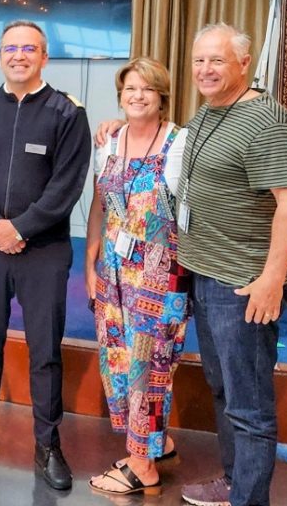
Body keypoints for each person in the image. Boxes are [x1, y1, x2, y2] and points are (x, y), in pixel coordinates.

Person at [0, 20, 91, 490]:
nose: (19, 56)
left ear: (45, 57)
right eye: (10, 48)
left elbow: (66, 186)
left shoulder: (67, 113)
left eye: (29, 48)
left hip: (44, 252)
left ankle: (48, 443)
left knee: (45, 351)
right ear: (0, 56)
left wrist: (21, 228)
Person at [175, 24, 287, 506]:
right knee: (223, 390)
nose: (205, 70)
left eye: (217, 61)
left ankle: (250, 500)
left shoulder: (267, 122)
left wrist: (272, 280)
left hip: (243, 286)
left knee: (249, 407)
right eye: (198, 60)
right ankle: (234, 483)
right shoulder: (212, 110)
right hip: (205, 276)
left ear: (244, 65)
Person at [85, 57, 188, 496]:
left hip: (159, 278)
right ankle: (155, 443)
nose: (138, 96)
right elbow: (98, 204)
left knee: (151, 367)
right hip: (111, 273)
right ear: (120, 95)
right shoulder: (109, 141)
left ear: (161, 95)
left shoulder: (180, 143)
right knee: (120, 364)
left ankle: (142, 467)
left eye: (147, 89)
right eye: (130, 89)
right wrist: (90, 262)